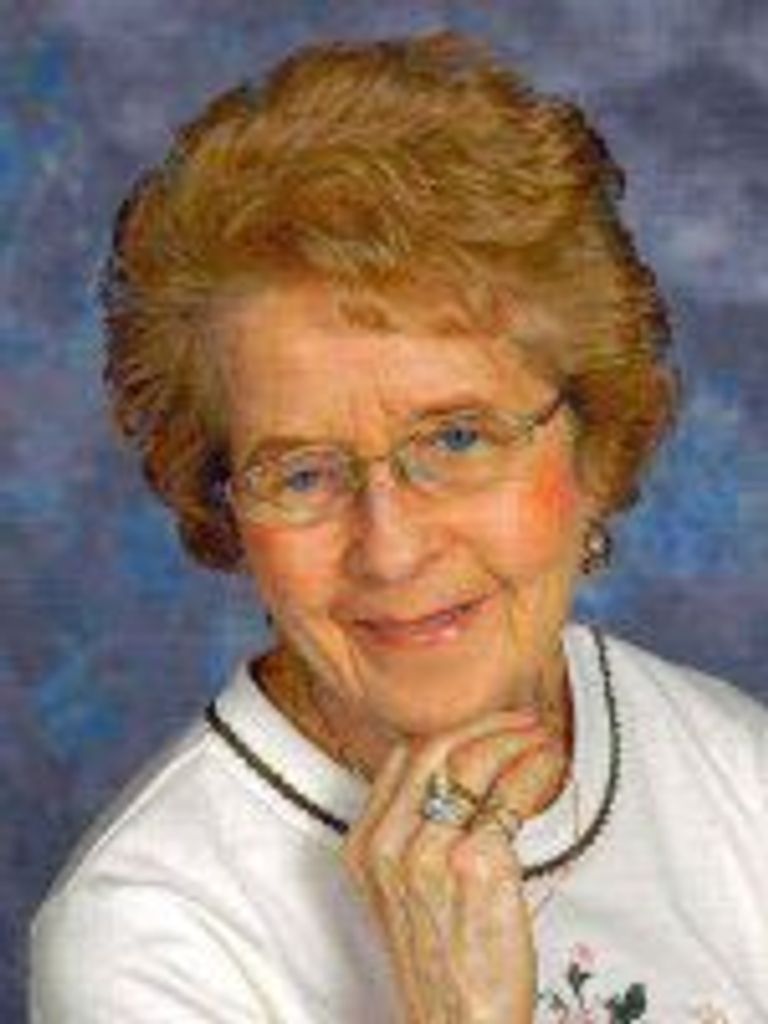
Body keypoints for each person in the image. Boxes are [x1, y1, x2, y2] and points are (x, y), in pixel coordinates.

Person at [30, 32, 768, 1023]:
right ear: (225, 509)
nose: (392, 547)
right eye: (301, 472)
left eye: (458, 437)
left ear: (593, 449)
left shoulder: (734, 766)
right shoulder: (149, 938)